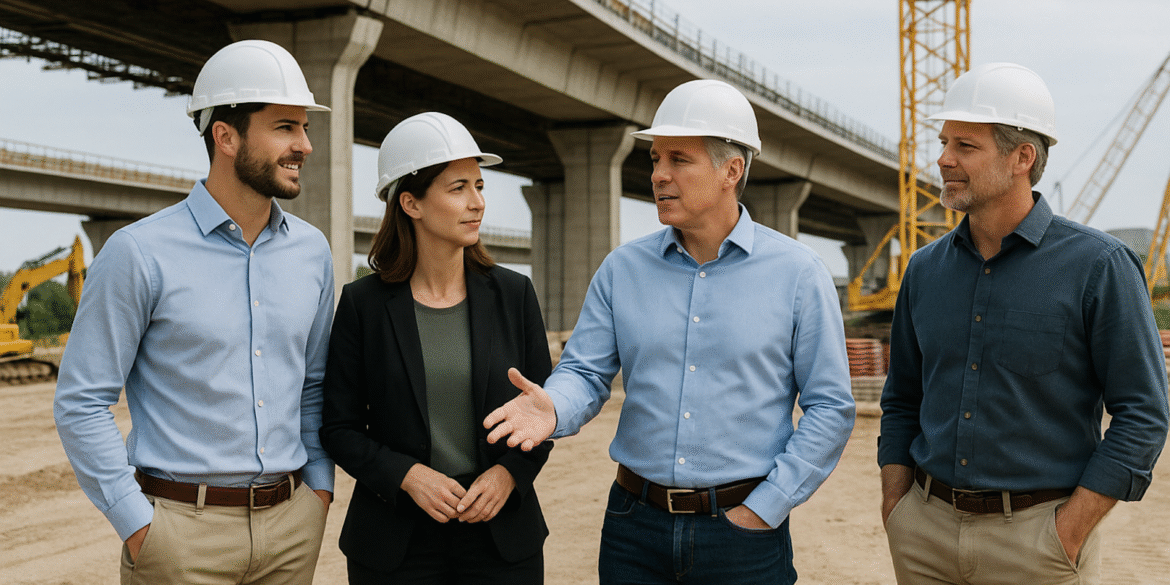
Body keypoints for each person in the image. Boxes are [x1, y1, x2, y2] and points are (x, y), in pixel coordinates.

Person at [484, 79, 856, 584]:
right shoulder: (622, 269)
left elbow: (831, 406)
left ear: (732, 170)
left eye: (679, 160)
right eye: (655, 158)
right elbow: (585, 371)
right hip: (633, 528)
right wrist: (554, 405)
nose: (658, 175)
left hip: (745, 535)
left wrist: (767, 506)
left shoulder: (798, 274)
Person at [54, 39, 336, 585]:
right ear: (225, 137)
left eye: (304, 127)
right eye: (284, 127)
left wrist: (317, 490)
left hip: (291, 530)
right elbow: (82, 400)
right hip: (177, 538)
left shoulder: (313, 253)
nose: (304, 145)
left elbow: (314, 384)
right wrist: (140, 527)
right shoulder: (139, 253)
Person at [878, 62, 1170, 584]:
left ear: (1023, 157)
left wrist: (1068, 531)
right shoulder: (924, 271)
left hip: (1039, 544)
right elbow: (902, 398)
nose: (943, 159)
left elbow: (1143, 413)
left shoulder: (1098, 266)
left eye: (965, 146)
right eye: (944, 142)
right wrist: (897, 508)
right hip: (923, 534)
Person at [319, 112, 553, 584]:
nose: (477, 203)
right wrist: (406, 475)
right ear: (411, 203)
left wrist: (508, 475)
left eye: (480, 186)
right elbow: (339, 426)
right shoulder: (363, 305)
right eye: (458, 188)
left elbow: (543, 413)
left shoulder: (514, 295)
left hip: (501, 535)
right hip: (394, 541)